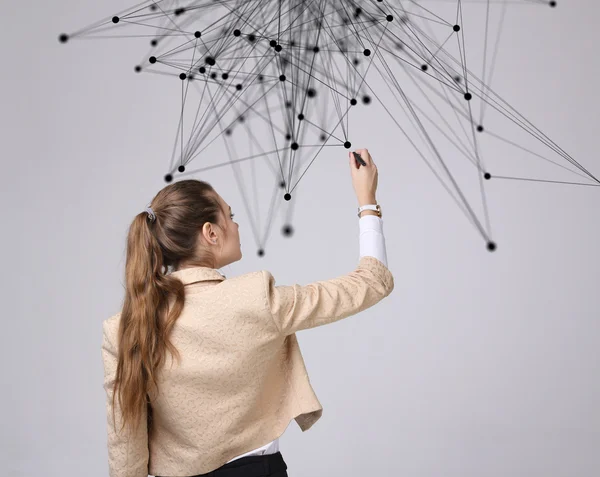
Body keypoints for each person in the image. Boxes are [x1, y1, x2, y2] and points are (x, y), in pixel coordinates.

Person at [101, 148, 394, 477]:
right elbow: (372, 282)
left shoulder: (124, 328)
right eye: (231, 215)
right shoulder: (256, 299)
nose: (237, 225)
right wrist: (368, 201)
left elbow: (125, 446)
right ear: (211, 233)